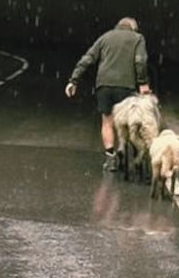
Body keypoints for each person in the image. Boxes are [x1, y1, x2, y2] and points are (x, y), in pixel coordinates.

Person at [63, 17, 150, 171]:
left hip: (104, 86)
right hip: (126, 86)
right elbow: (140, 61)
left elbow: (88, 58)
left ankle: (110, 157)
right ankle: (128, 154)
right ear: (133, 28)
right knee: (129, 122)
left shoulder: (105, 37)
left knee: (107, 121)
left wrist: (73, 80)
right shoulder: (138, 38)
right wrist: (142, 83)